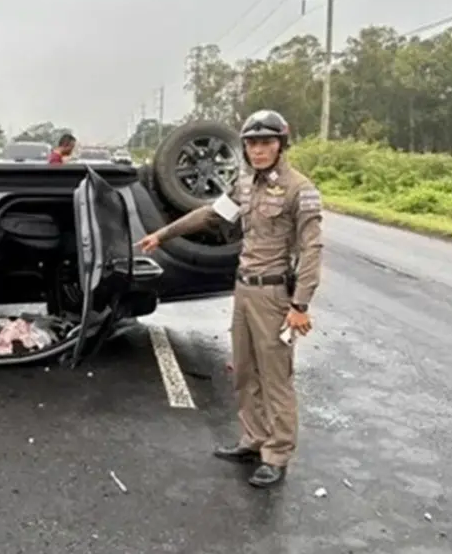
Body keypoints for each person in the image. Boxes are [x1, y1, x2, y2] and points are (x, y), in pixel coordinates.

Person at [136, 109, 323, 488]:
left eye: (266, 142)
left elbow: (312, 249)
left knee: (276, 378)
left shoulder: (299, 190)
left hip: (274, 294)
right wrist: (163, 235)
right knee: (244, 371)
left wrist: (300, 305)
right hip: (245, 290)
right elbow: (210, 216)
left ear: (281, 145)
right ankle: (253, 440)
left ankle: (277, 453)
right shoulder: (244, 186)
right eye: (252, 143)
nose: (258, 150)